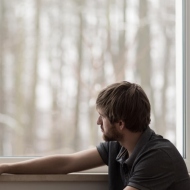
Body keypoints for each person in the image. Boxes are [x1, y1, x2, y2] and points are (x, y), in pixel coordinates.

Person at [0, 81, 190, 190]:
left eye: (102, 117)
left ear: (120, 124)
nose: (98, 122)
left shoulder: (157, 157)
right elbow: (65, 163)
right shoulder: (119, 146)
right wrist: (6, 167)